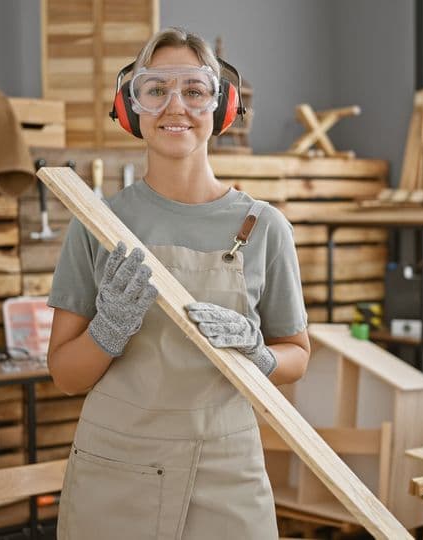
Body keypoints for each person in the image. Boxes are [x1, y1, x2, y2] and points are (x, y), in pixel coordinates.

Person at [46, 27, 311, 539]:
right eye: (155, 89)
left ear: (221, 106)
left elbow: (296, 355)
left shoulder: (263, 227)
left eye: (194, 90)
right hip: (116, 467)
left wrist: (259, 355)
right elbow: (65, 375)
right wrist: (108, 332)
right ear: (132, 108)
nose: (176, 106)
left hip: (227, 469)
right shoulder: (96, 223)